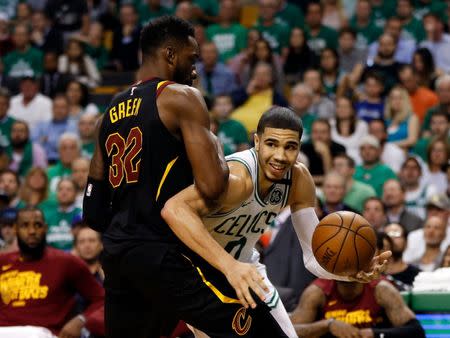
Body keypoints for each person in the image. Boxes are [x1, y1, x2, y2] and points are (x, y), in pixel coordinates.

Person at [82, 16, 281, 337]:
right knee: (261, 328)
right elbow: (214, 186)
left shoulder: (108, 113)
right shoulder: (181, 97)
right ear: (170, 55)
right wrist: (214, 142)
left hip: (118, 258)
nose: (194, 70)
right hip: (163, 252)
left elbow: (92, 212)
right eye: (192, 59)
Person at [163, 107, 391, 338]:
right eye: (272, 144)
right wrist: (228, 266)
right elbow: (174, 209)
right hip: (195, 270)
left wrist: (348, 272)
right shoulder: (238, 178)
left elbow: (313, 256)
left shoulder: (299, 179)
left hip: (246, 270)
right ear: (257, 141)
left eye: (290, 147)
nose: (280, 156)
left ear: (299, 147)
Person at [0, 206, 104, 337]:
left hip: (43, 332)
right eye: (25, 225)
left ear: (46, 228)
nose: (32, 231)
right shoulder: (2, 261)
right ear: (15, 229)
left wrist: (81, 320)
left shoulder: (66, 262)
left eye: (37, 225)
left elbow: (101, 299)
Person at [291, 276, 425, 337]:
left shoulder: (381, 289)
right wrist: (327, 325)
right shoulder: (317, 292)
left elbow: (416, 331)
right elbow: (288, 332)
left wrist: (374, 334)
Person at [383, 222, 421, 289]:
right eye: (387, 236)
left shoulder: (418, 276)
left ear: (406, 242)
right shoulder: (374, 275)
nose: (391, 239)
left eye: (396, 235)